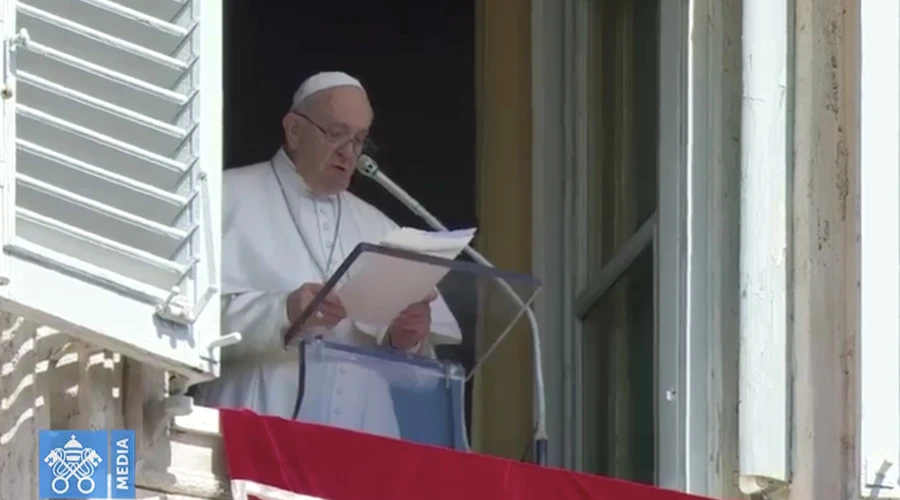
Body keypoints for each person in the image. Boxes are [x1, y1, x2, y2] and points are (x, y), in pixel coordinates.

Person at [194, 72, 462, 437]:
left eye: (360, 140)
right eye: (336, 134)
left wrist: (406, 341)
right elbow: (185, 328)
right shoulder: (225, 197)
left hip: (364, 441)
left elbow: (423, 383)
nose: (349, 152)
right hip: (259, 420)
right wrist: (283, 313)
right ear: (293, 129)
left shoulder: (381, 228)